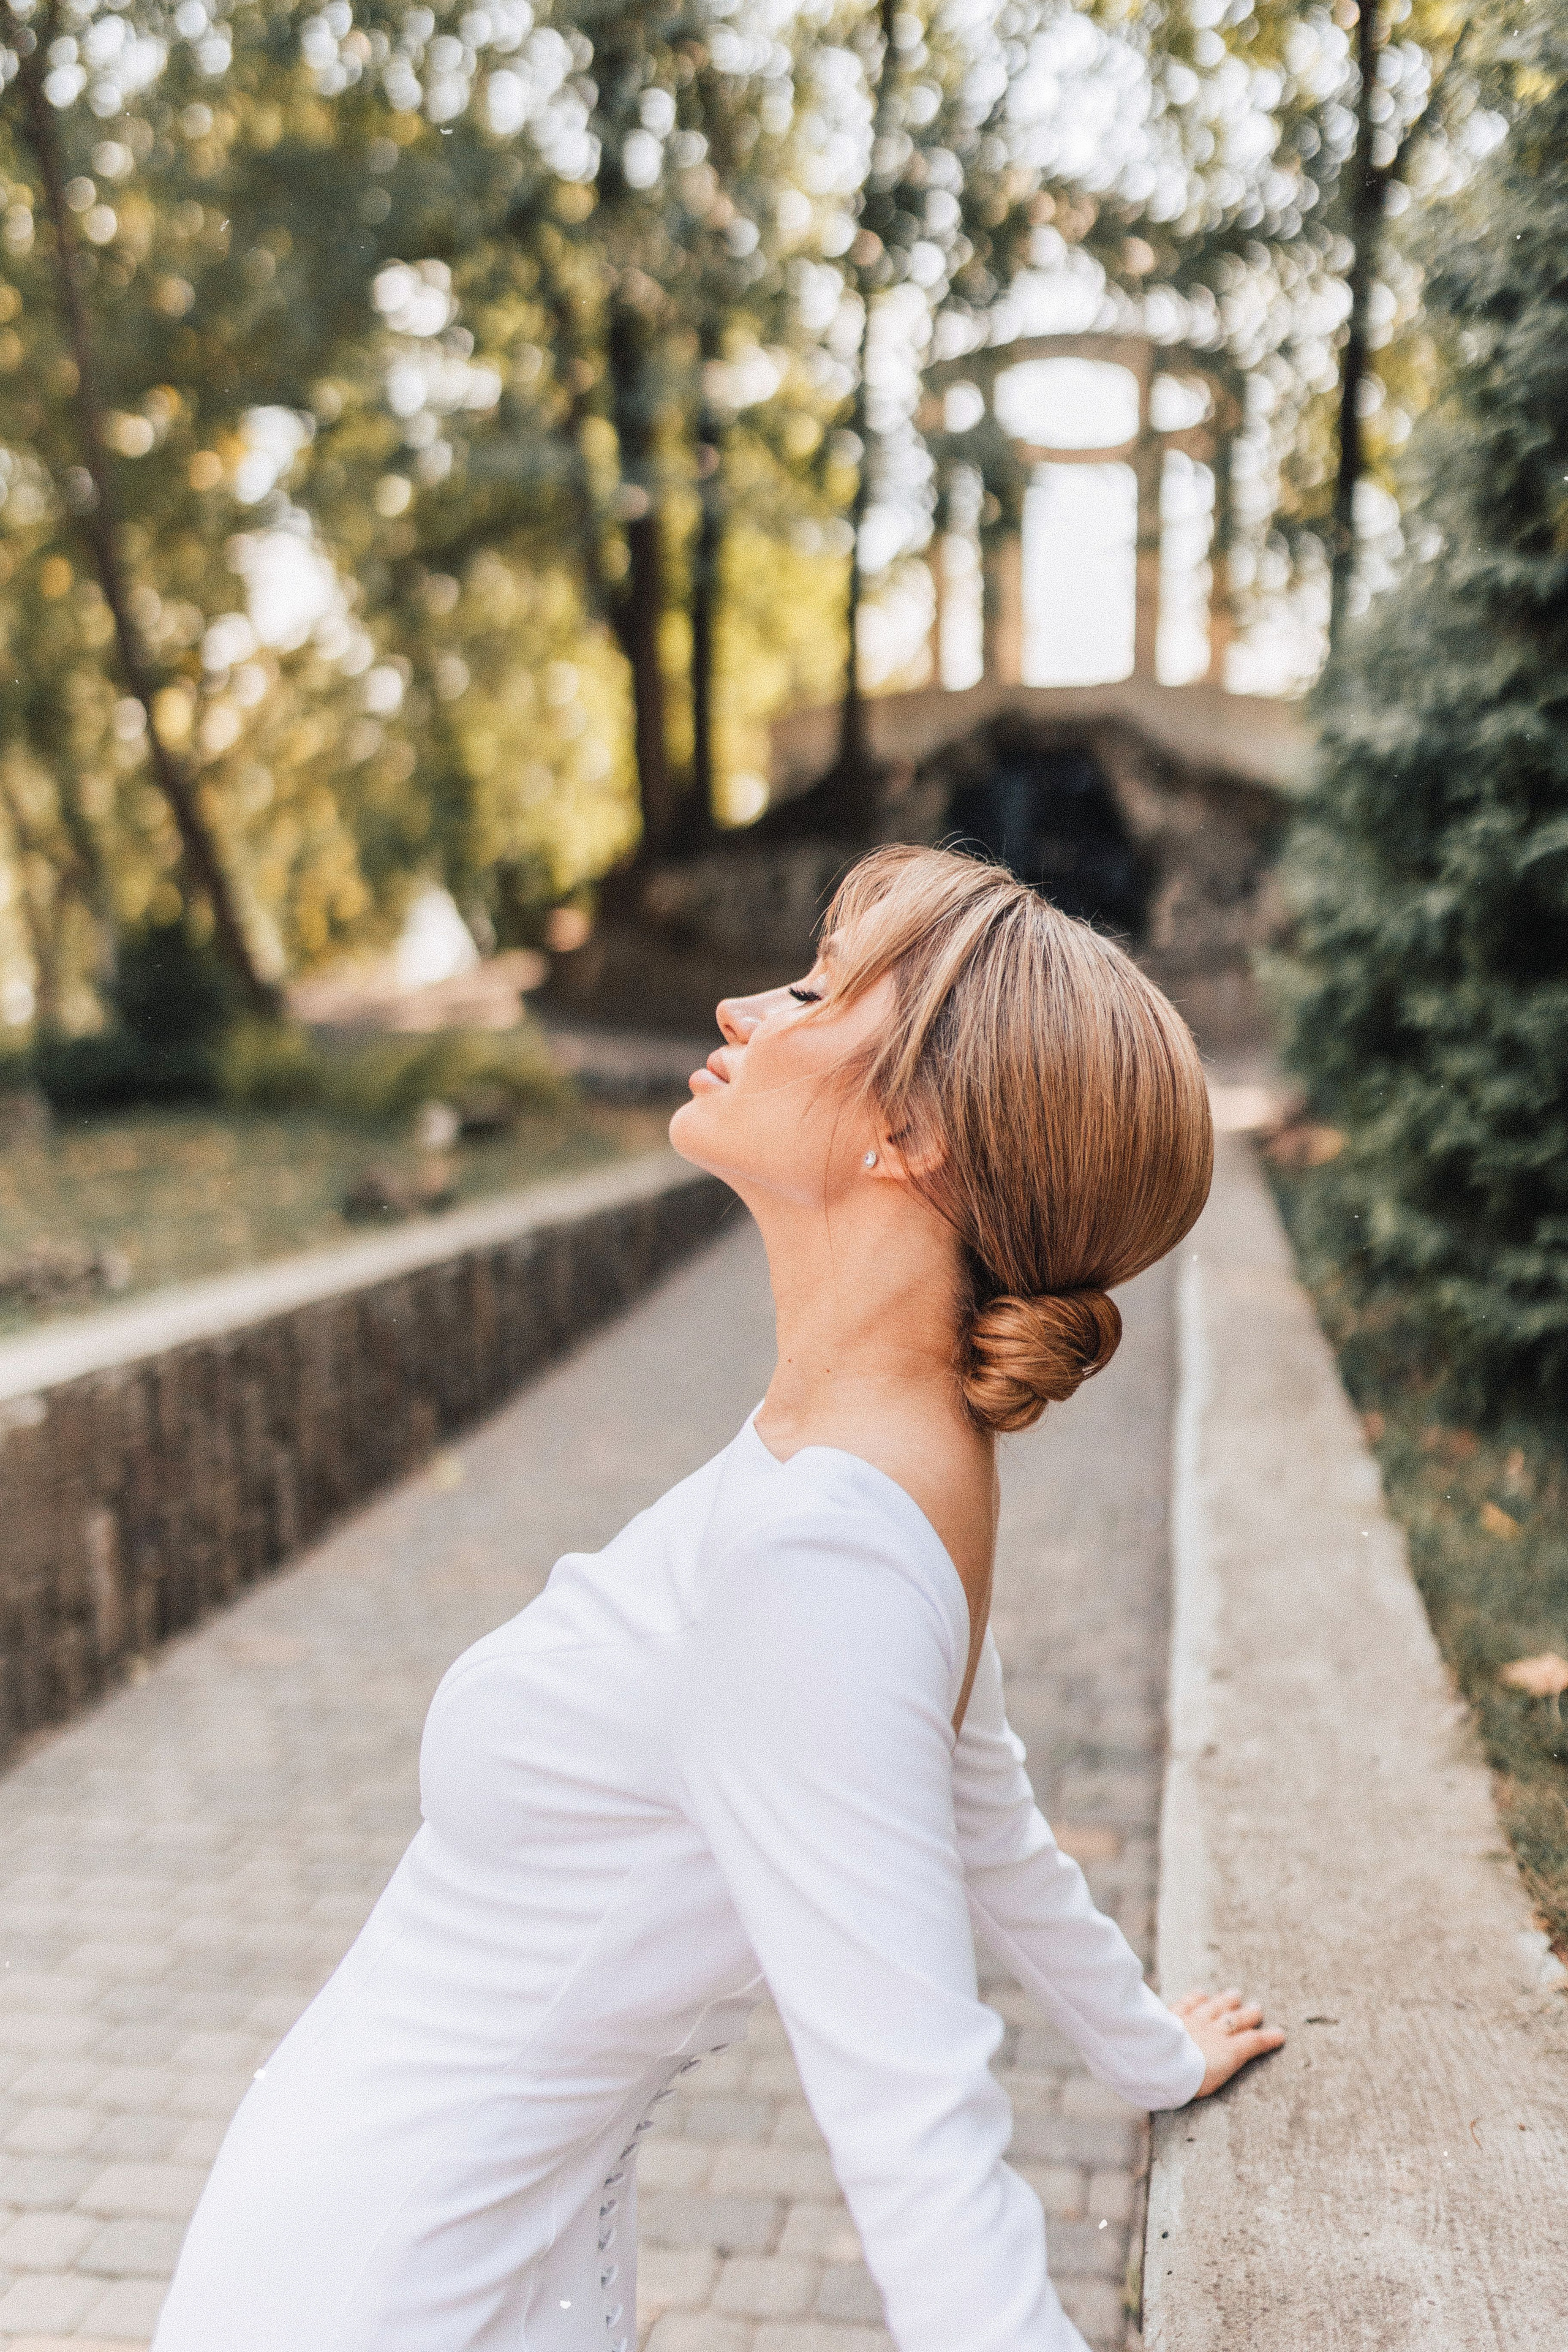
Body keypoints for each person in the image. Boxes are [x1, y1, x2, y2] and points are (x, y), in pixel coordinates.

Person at [152, 845, 1283, 2352]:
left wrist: (1138, 2062)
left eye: (818, 991)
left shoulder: (818, 1558)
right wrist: (1144, 2052)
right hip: (413, 2275)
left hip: (372, 2296)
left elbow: (918, 2143)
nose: (747, 1004)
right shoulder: (879, 1474)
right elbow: (984, 1812)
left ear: (916, 1137)